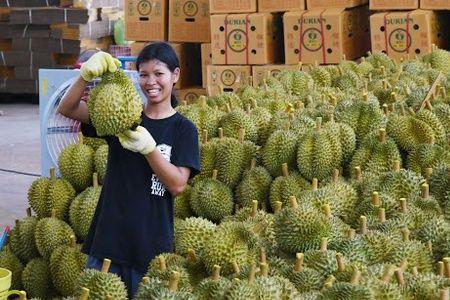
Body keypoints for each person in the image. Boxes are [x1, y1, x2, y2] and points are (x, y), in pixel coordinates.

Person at [57, 42, 200, 298]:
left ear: (175, 76)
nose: (151, 82)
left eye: (159, 74)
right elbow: (66, 108)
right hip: (108, 238)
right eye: (144, 75)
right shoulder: (123, 117)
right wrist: (85, 76)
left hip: (151, 245)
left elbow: (178, 185)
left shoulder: (183, 129)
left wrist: (149, 149)